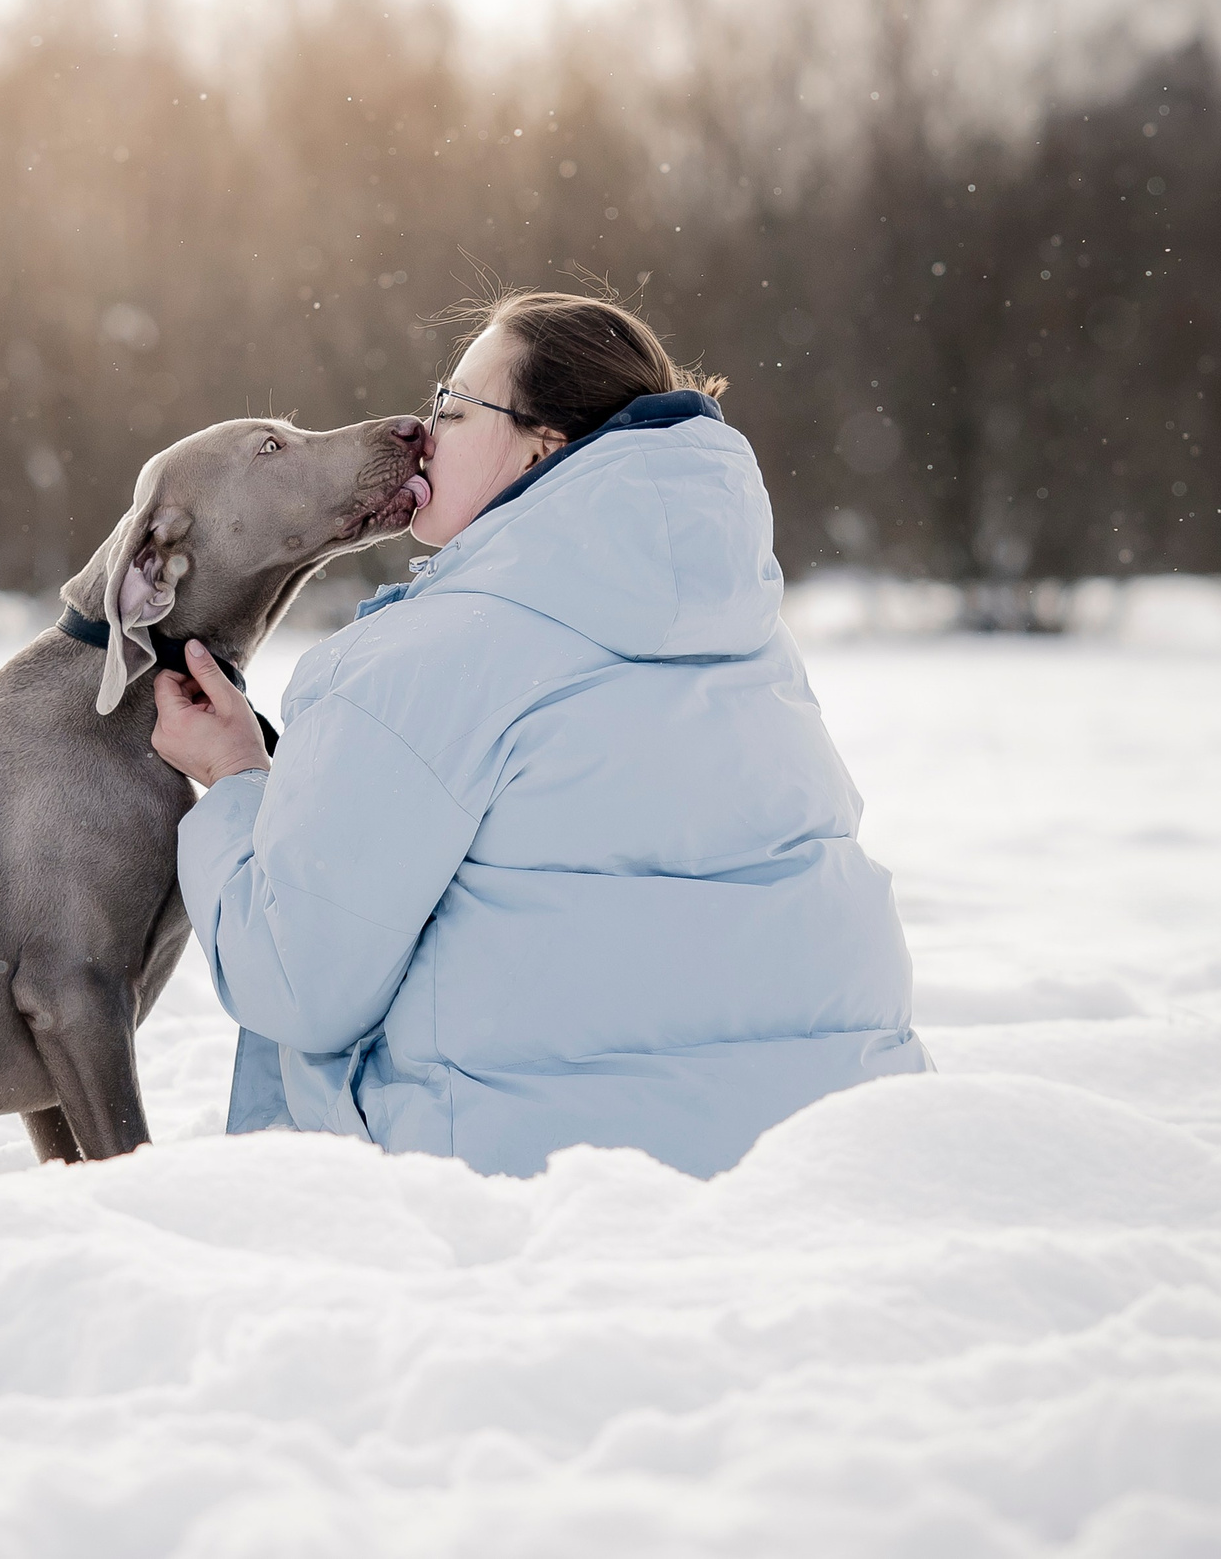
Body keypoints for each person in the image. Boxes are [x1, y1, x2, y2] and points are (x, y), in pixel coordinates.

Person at [151, 291, 930, 1178]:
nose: (423, 428)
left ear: (543, 446)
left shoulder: (422, 660)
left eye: (453, 406)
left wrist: (240, 780)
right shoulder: (751, 647)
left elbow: (296, 983)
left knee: (305, 1040)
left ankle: (288, 1240)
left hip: (538, 1189)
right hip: (841, 1154)